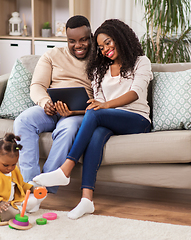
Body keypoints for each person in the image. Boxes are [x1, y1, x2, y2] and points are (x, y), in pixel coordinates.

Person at [33, 19, 153, 219]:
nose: (105, 49)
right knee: (96, 135)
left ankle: (65, 169)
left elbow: (135, 93)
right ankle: (87, 200)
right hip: (109, 119)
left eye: (108, 42)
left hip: (136, 119)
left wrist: (105, 106)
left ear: (120, 38)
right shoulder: (100, 69)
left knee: (96, 114)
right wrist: (74, 113)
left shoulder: (141, 61)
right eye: (100, 47)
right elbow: (96, 105)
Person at [13, 15, 93, 194]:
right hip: (51, 108)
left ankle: (44, 187)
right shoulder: (52, 55)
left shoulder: (99, 59)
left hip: (78, 112)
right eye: (72, 41)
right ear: (66, 39)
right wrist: (45, 102)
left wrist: (74, 111)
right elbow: (37, 86)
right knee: (23, 121)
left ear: (91, 36)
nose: (78, 46)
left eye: (83, 40)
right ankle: (29, 184)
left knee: (68, 130)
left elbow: (103, 96)